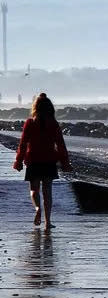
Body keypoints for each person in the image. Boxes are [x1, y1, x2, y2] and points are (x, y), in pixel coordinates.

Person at [12, 93, 72, 228]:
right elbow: (61, 145)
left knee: (34, 189)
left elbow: (23, 144)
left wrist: (18, 161)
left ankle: (38, 209)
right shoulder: (53, 124)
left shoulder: (30, 122)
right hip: (49, 160)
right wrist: (65, 163)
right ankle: (48, 222)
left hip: (33, 160)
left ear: (35, 108)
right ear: (50, 108)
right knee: (47, 191)